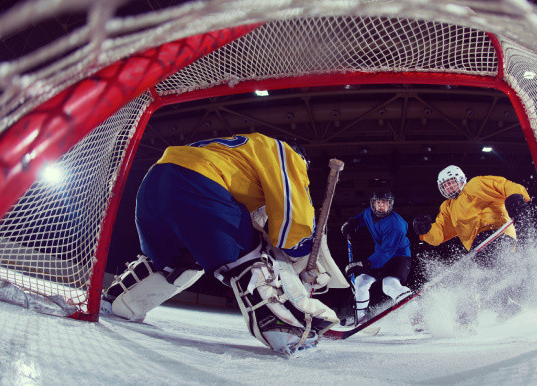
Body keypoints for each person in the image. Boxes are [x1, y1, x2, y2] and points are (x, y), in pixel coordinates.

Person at [100, 133, 342, 356]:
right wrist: (300, 254)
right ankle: (288, 332)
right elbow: (292, 216)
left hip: (155, 183)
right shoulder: (284, 152)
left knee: (176, 263)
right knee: (252, 258)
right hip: (199, 184)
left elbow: (250, 221)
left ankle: (118, 303)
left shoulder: (239, 155)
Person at [412, 165, 531, 268]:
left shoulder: (475, 185)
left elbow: (503, 185)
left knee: (494, 260)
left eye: (451, 183)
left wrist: (516, 197)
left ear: (461, 179)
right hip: (478, 247)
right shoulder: (448, 207)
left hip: (498, 232)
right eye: (444, 186)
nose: (448, 188)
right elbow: (440, 233)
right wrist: (426, 230)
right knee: (487, 271)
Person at [340, 190, 413, 324]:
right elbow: (363, 217)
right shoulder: (369, 212)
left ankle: (416, 316)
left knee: (389, 284)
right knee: (361, 282)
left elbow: (387, 252)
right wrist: (353, 223)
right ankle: (360, 319)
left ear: (390, 205)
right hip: (379, 256)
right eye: (378, 202)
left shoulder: (396, 225)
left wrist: (365, 264)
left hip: (398, 258)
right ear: (373, 204)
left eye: (384, 203)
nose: (381, 206)